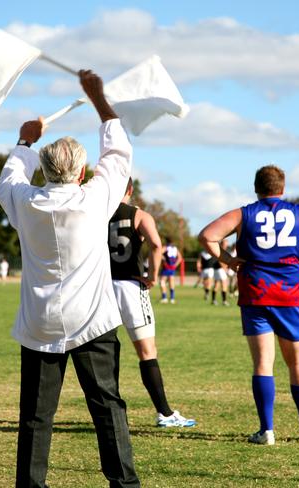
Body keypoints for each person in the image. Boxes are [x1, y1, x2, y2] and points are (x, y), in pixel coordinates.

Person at [0, 70, 140, 488]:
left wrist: (26, 140)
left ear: (44, 170)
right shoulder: (94, 198)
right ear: (81, 174)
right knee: (107, 407)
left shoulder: (24, 201)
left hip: (39, 323)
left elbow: (9, 178)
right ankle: (124, 484)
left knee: (36, 417)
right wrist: (97, 98)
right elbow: (117, 154)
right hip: (92, 321)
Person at [198, 164, 299, 446]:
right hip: (291, 293)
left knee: (263, 363)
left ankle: (267, 431)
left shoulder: (244, 213)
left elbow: (207, 236)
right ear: (282, 188)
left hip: (256, 292)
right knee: (298, 361)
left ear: (256, 188)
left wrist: (227, 260)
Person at [109, 177, 195, 428]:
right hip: (131, 287)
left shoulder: (97, 213)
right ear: (131, 190)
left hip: (102, 288)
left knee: (105, 351)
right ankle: (165, 414)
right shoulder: (140, 216)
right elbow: (156, 246)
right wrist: (152, 276)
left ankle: (110, 413)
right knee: (147, 352)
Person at [160, 238, 183, 304]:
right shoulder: (175, 249)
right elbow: (180, 258)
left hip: (166, 267)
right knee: (171, 282)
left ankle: (164, 298)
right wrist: (175, 265)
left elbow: (159, 252)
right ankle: (172, 298)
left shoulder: (166, 247)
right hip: (172, 268)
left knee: (162, 281)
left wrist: (163, 258)